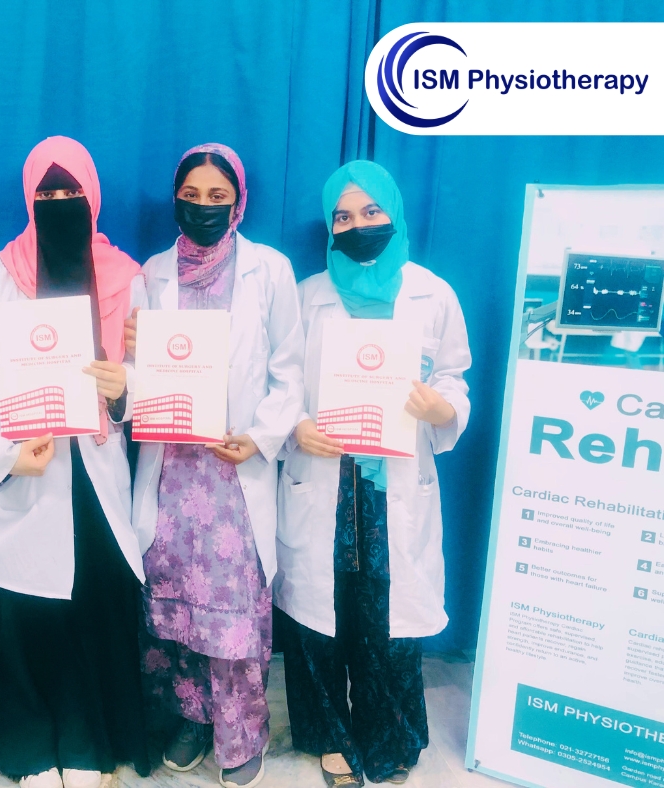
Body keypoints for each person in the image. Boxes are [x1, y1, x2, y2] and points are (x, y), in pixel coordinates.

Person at [0, 136, 149, 788]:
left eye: (71, 191)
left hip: (95, 470)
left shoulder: (127, 278)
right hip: (24, 467)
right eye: (47, 192)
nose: (60, 202)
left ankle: (85, 745)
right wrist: (3, 453)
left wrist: (124, 389)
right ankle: (28, 747)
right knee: (23, 613)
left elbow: (147, 376)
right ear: (29, 199)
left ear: (93, 196)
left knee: (87, 608)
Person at [273, 160, 471, 787]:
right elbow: (280, 382)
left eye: (371, 211)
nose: (357, 224)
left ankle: (390, 735)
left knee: (389, 618)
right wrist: (295, 426)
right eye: (343, 216)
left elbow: (454, 376)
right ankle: (329, 736)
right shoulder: (306, 296)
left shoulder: (433, 294)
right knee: (321, 615)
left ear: (394, 213)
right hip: (324, 478)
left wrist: (441, 408)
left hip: (393, 486)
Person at [125, 143, 305, 788]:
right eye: (191, 196)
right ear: (176, 199)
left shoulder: (270, 271)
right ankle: (190, 720)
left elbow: (290, 372)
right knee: (174, 606)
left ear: (238, 202)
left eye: (217, 197)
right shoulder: (151, 273)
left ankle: (241, 732)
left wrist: (259, 437)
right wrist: (132, 351)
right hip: (171, 471)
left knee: (232, 611)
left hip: (234, 469)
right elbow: (136, 374)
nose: (203, 207)